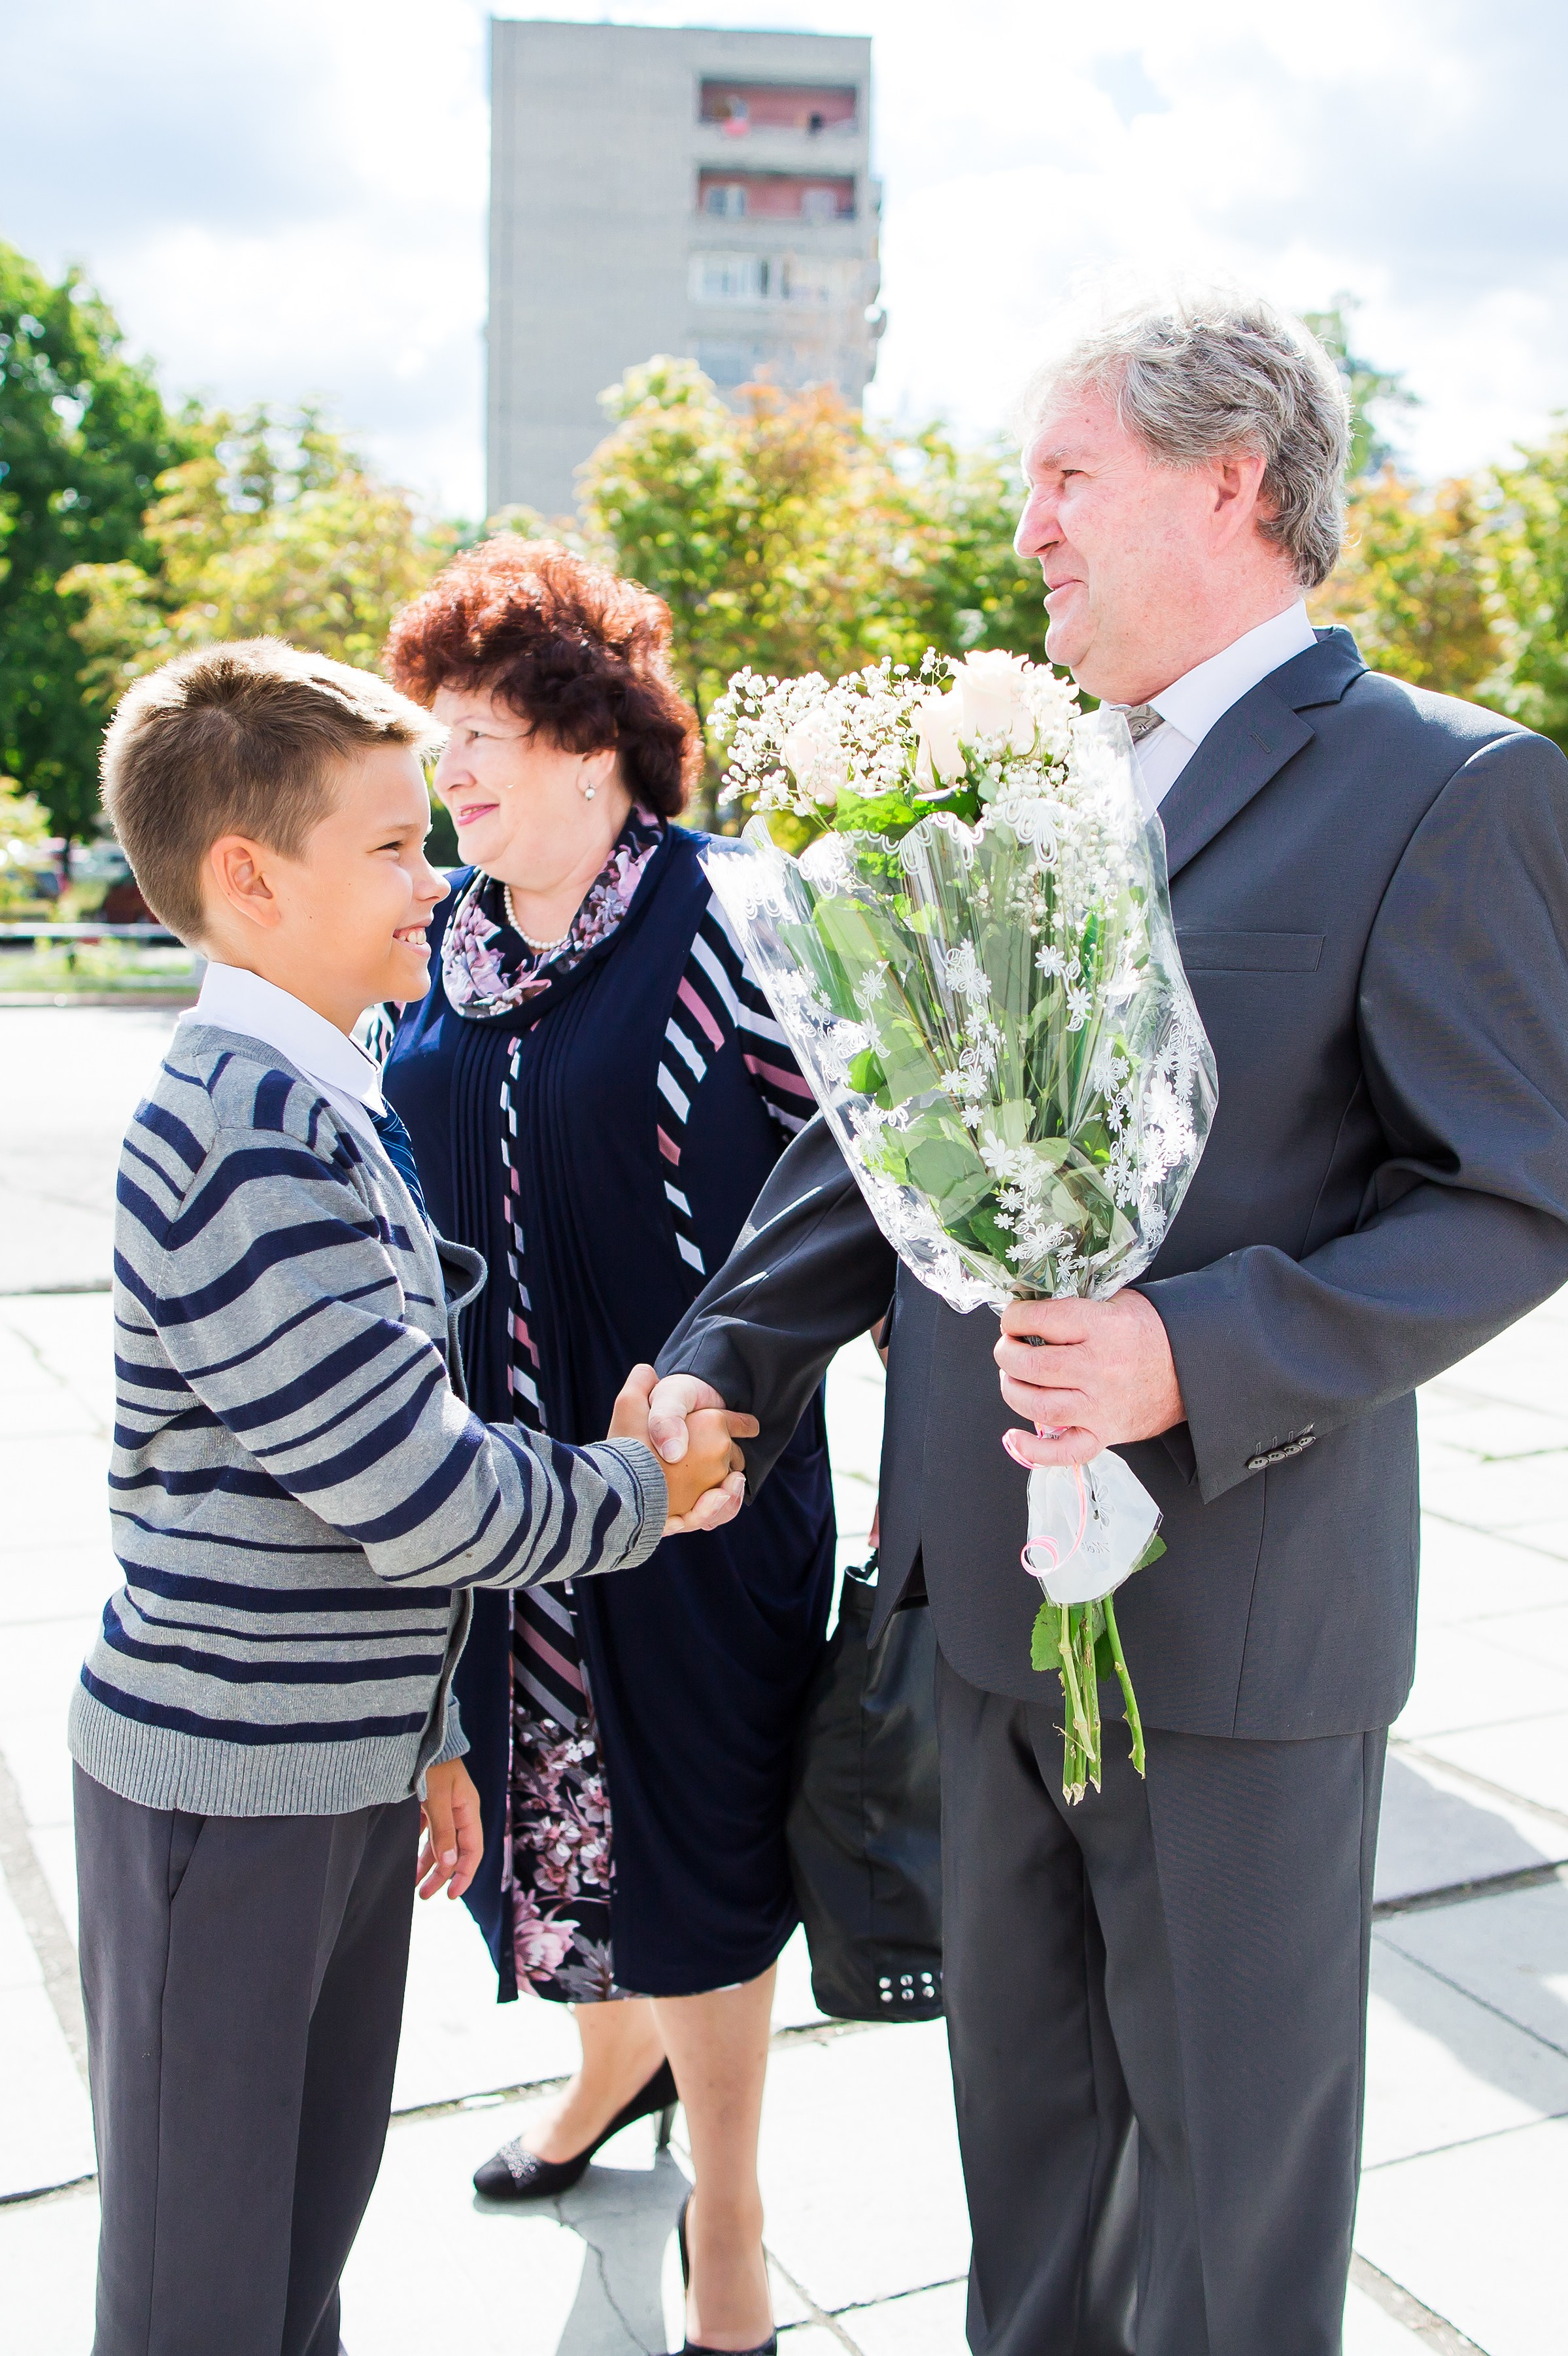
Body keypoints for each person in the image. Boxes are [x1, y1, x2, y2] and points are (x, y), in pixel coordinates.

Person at [648, 292, 1568, 2356]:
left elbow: (1516, 1192)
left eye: (1068, 476)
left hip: (1244, 1634)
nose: (1030, 525)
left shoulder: (1450, 788)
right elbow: (890, 1127)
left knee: (1235, 2212)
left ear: (1230, 481)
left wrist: (1200, 1352)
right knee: (1031, 2174)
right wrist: (730, 1351)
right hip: (986, 1619)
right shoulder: (1028, 778)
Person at [70, 638, 743, 2356]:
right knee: (199, 2294)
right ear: (245, 876)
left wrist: (428, 1728)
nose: (431, 873)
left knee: (292, 2254)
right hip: (229, 1799)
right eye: (387, 843)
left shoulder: (315, 1088)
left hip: (325, 1770)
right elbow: (412, 1484)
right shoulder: (251, 1131)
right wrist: (642, 1490)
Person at [379, 540, 834, 2356]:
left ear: (595, 745)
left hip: (696, 1490)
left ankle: (730, 2200)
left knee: (697, 1835)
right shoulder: (441, 937)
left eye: (484, 733)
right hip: (501, 1501)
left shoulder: (734, 914)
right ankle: (606, 2075)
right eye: (442, 741)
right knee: (547, 1823)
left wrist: (729, 1379)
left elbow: (856, 1185)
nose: (453, 773)